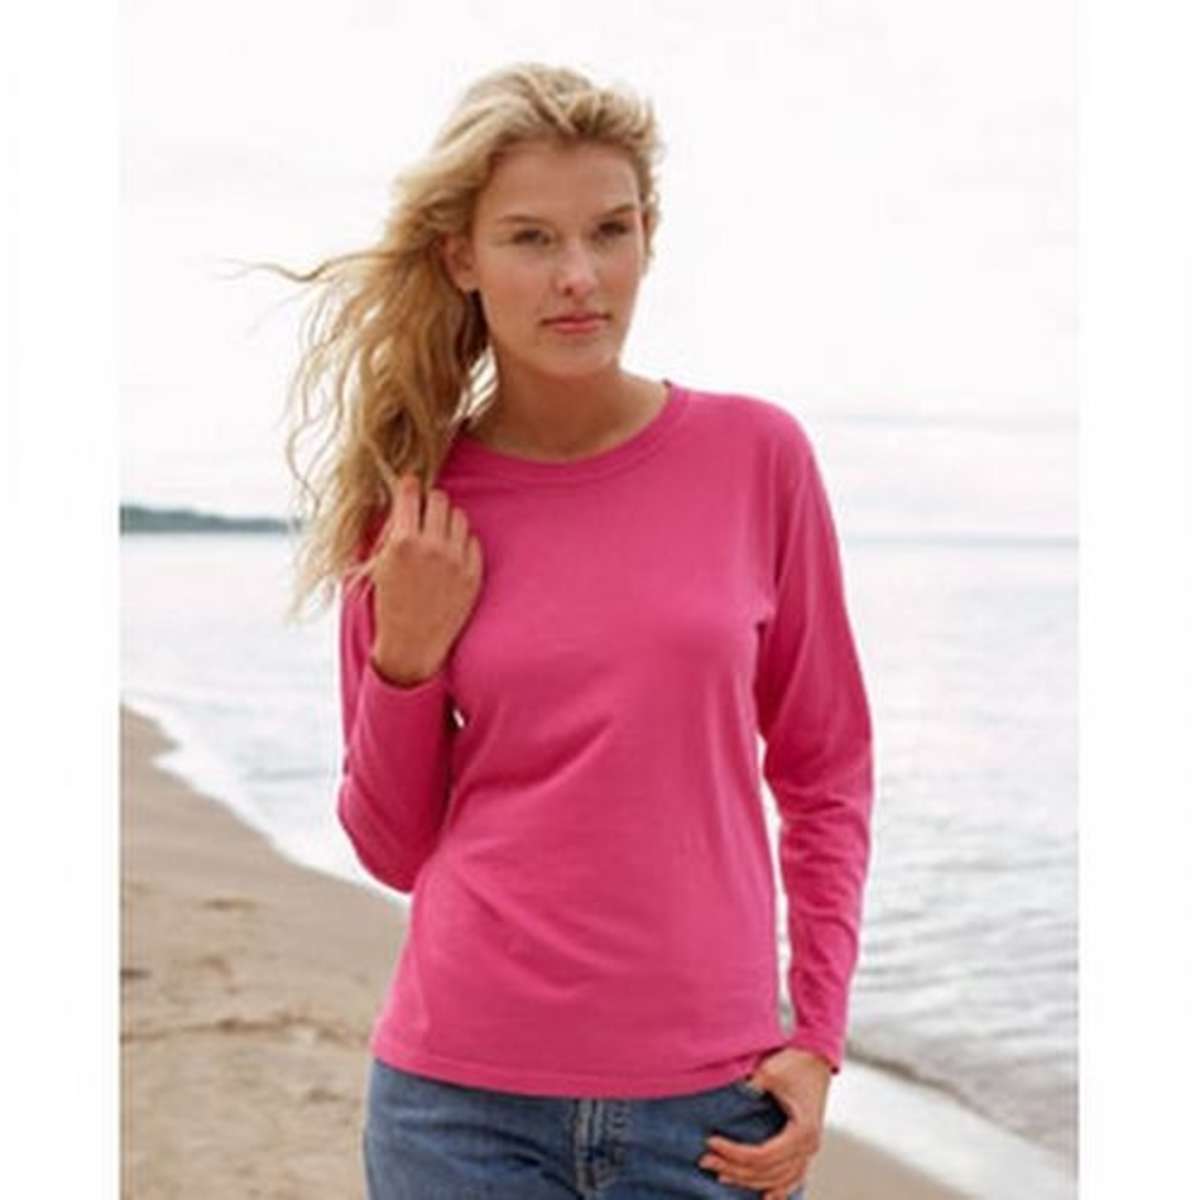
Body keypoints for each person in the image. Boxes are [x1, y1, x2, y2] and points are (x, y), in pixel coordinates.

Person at [277, 61, 874, 1200]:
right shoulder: (412, 502)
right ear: (461, 257)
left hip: (713, 1110)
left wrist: (819, 1029)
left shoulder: (758, 458)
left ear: (649, 236)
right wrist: (408, 655)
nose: (578, 278)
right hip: (457, 1108)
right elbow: (393, 848)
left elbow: (826, 767)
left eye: (610, 230)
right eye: (530, 238)